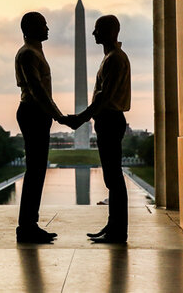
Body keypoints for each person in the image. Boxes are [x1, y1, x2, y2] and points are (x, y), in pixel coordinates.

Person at [65, 15, 131, 243]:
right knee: (111, 178)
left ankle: (117, 231)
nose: (93, 34)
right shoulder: (111, 58)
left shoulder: (115, 59)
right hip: (108, 120)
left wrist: (80, 119)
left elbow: (104, 98)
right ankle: (113, 226)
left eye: (97, 30)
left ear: (110, 32)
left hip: (110, 119)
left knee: (114, 178)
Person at [14, 11, 68, 243]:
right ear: (31, 29)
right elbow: (37, 90)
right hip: (33, 113)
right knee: (35, 171)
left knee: (37, 171)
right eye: (43, 25)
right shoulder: (28, 54)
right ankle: (26, 227)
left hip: (37, 114)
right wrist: (59, 116)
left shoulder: (34, 52)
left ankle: (29, 224)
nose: (48, 28)